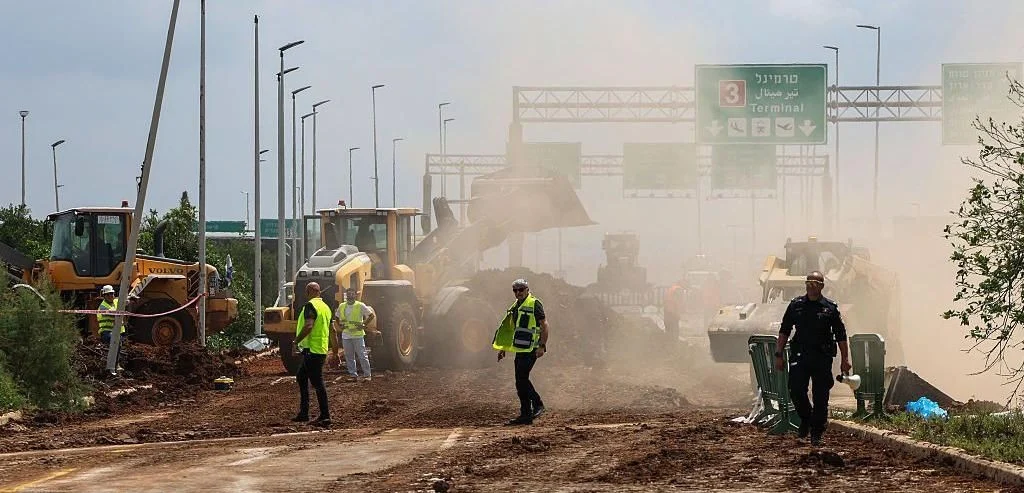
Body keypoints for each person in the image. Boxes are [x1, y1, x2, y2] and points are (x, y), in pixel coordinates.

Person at [775, 271, 850, 446]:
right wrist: (778, 354)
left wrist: (845, 359)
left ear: (822, 286)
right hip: (800, 355)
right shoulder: (796, 305)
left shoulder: (830, 308)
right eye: (809, 283)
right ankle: (806, 418)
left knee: (821, 396)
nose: (811, 286)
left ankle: (816, 431)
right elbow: (784, 330)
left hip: (821, 358)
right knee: (795, 389)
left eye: (815, 283)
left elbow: (841, 335)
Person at [492, 279, 549, 426]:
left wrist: (542, 345)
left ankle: (536, 406)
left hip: (531, 348)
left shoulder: (534, 304)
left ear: (527, 289)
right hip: (521, 348)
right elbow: (511, 330)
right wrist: (503, 348)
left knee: (522, 379)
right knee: (520, 381)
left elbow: (544, 325)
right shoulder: (515, 307)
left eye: (521, 290)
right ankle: (527, 414)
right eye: (515, 290)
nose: (518, 293)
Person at [292, 282, 333, 426]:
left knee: (317, 382)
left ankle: (325, 416)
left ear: (309, 292)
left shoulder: (310, 306)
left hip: (312, 350)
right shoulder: (326, 308)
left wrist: (296, 341)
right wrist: (335, 351)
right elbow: (332, 330)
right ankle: (304, 413)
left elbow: (309, 325)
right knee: (301, 376)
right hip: (320, 349)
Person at [333, 286, 376, 382]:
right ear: (346, 295)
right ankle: (353, 375)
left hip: (358, 334)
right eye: (348, 294)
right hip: (346, 334)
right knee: (349, 356)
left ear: (355, 295)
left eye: (352, 293)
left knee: (362, 355)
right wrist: (340, 326)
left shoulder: (360, 305)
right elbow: (337, 316)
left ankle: (367, 375)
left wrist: (364, 324)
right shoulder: (342, 306)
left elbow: (371, 315)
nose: (350, 295)